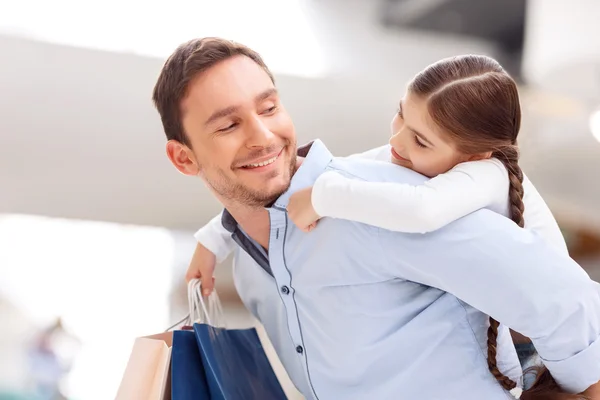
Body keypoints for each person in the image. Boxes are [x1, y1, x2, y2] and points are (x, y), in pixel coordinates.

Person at [152, 37, 600, 399]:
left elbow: (568, 302)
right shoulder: (248, 268)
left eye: (269, 108)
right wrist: (212, 240)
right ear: (183, 158)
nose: (263, 135)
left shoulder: (386, 203)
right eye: (228, 125)